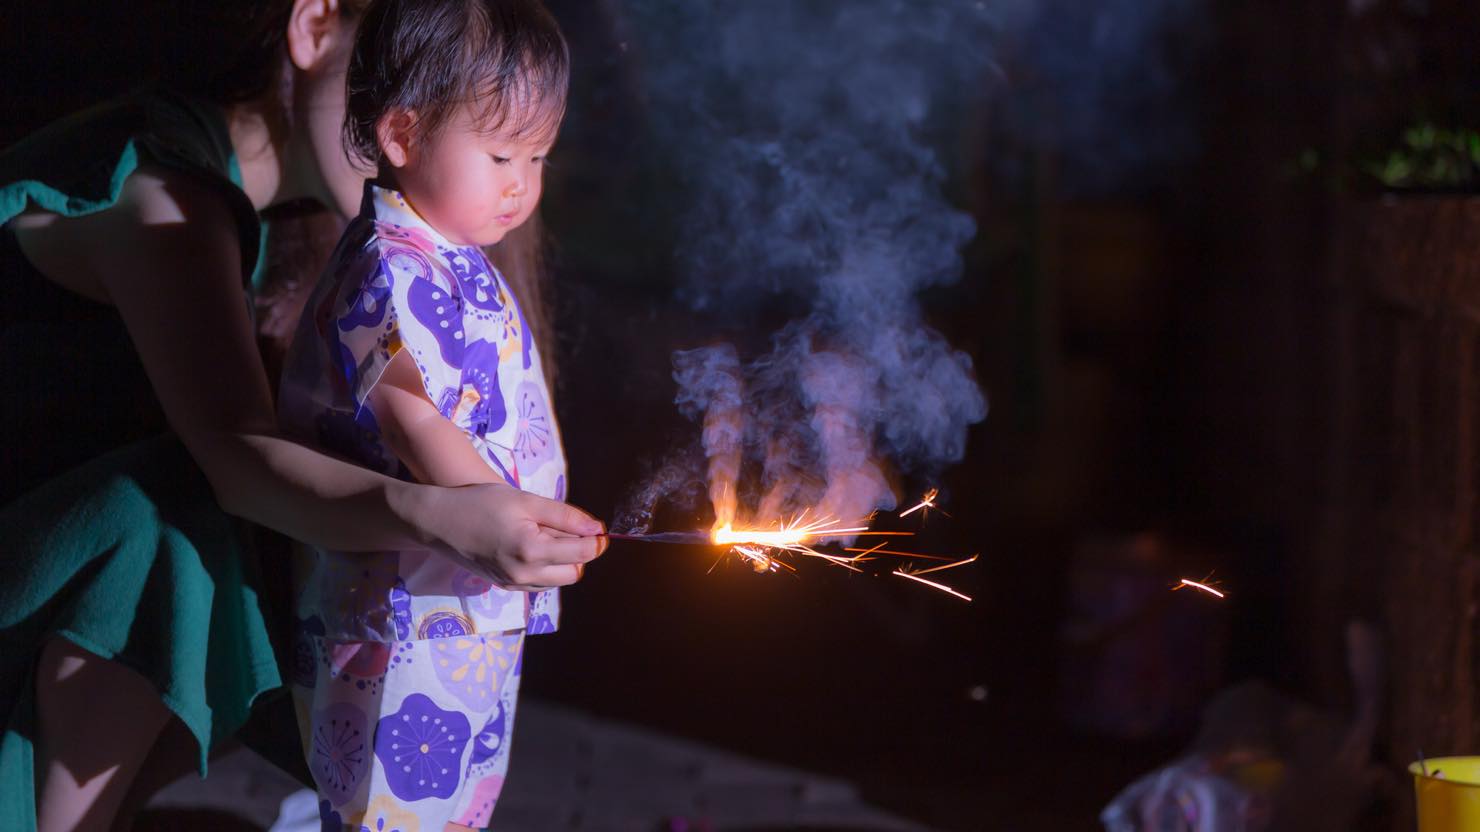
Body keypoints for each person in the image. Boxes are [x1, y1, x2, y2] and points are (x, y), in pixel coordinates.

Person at [0, 1, 604, 829]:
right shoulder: (160, 189)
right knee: (173, 517)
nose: (513, 181)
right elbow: (239, 464)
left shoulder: (338, 239)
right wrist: (440, 515)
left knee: (283, 520)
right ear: (317, 23)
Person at [274, 1, 574, 828]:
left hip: (459, 591)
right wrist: (498, 507)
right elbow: (409, 409)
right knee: (391, 797)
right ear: (403, 136)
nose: (522, 182)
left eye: (540, 155)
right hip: (400, 607)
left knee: (454, 798)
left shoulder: (453, 255)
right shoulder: (387, 266)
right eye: (503, 151)